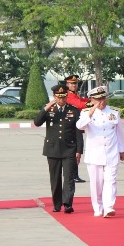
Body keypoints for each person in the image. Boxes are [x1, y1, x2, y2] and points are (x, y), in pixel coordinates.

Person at [76, 86, 124, 218]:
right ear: (91, 100)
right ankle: (98, 207)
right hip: (95, 154)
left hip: (111, 152)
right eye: (98, 99)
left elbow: (119, 133)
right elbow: (80, 126)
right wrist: (91, 111)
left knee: (111, 180)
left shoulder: (114, 112)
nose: (101, 102)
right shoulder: (86, 113)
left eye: (103, 98)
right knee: (96, 183)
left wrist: (121, 150)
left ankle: (108, 207)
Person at [34, 84, 83, 214]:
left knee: (69, 178)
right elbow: (37, 122)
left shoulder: (74, 110)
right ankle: (57, 204)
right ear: (54, 97)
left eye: (64, 97)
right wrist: (46, 107)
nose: (61, 100)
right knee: (55, 179)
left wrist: (79, 150)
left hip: (69, 149)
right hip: (53, 149)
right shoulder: (49, 109)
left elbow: (78, 132)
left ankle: (67, 204)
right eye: (58, 97)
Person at [65, 74, 91, 183]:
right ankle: (72, 175)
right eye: (72, 83)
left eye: (75, 83)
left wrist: (93, 98)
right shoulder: (68, 95)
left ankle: (74, 175)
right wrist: (92, 103)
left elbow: (82, 100)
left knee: (78, 150)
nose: (74, 85)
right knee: (75, 152)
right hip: (72, 127)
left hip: (77, 126)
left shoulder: (75, 94)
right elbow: (80, 105)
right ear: (67, 84)